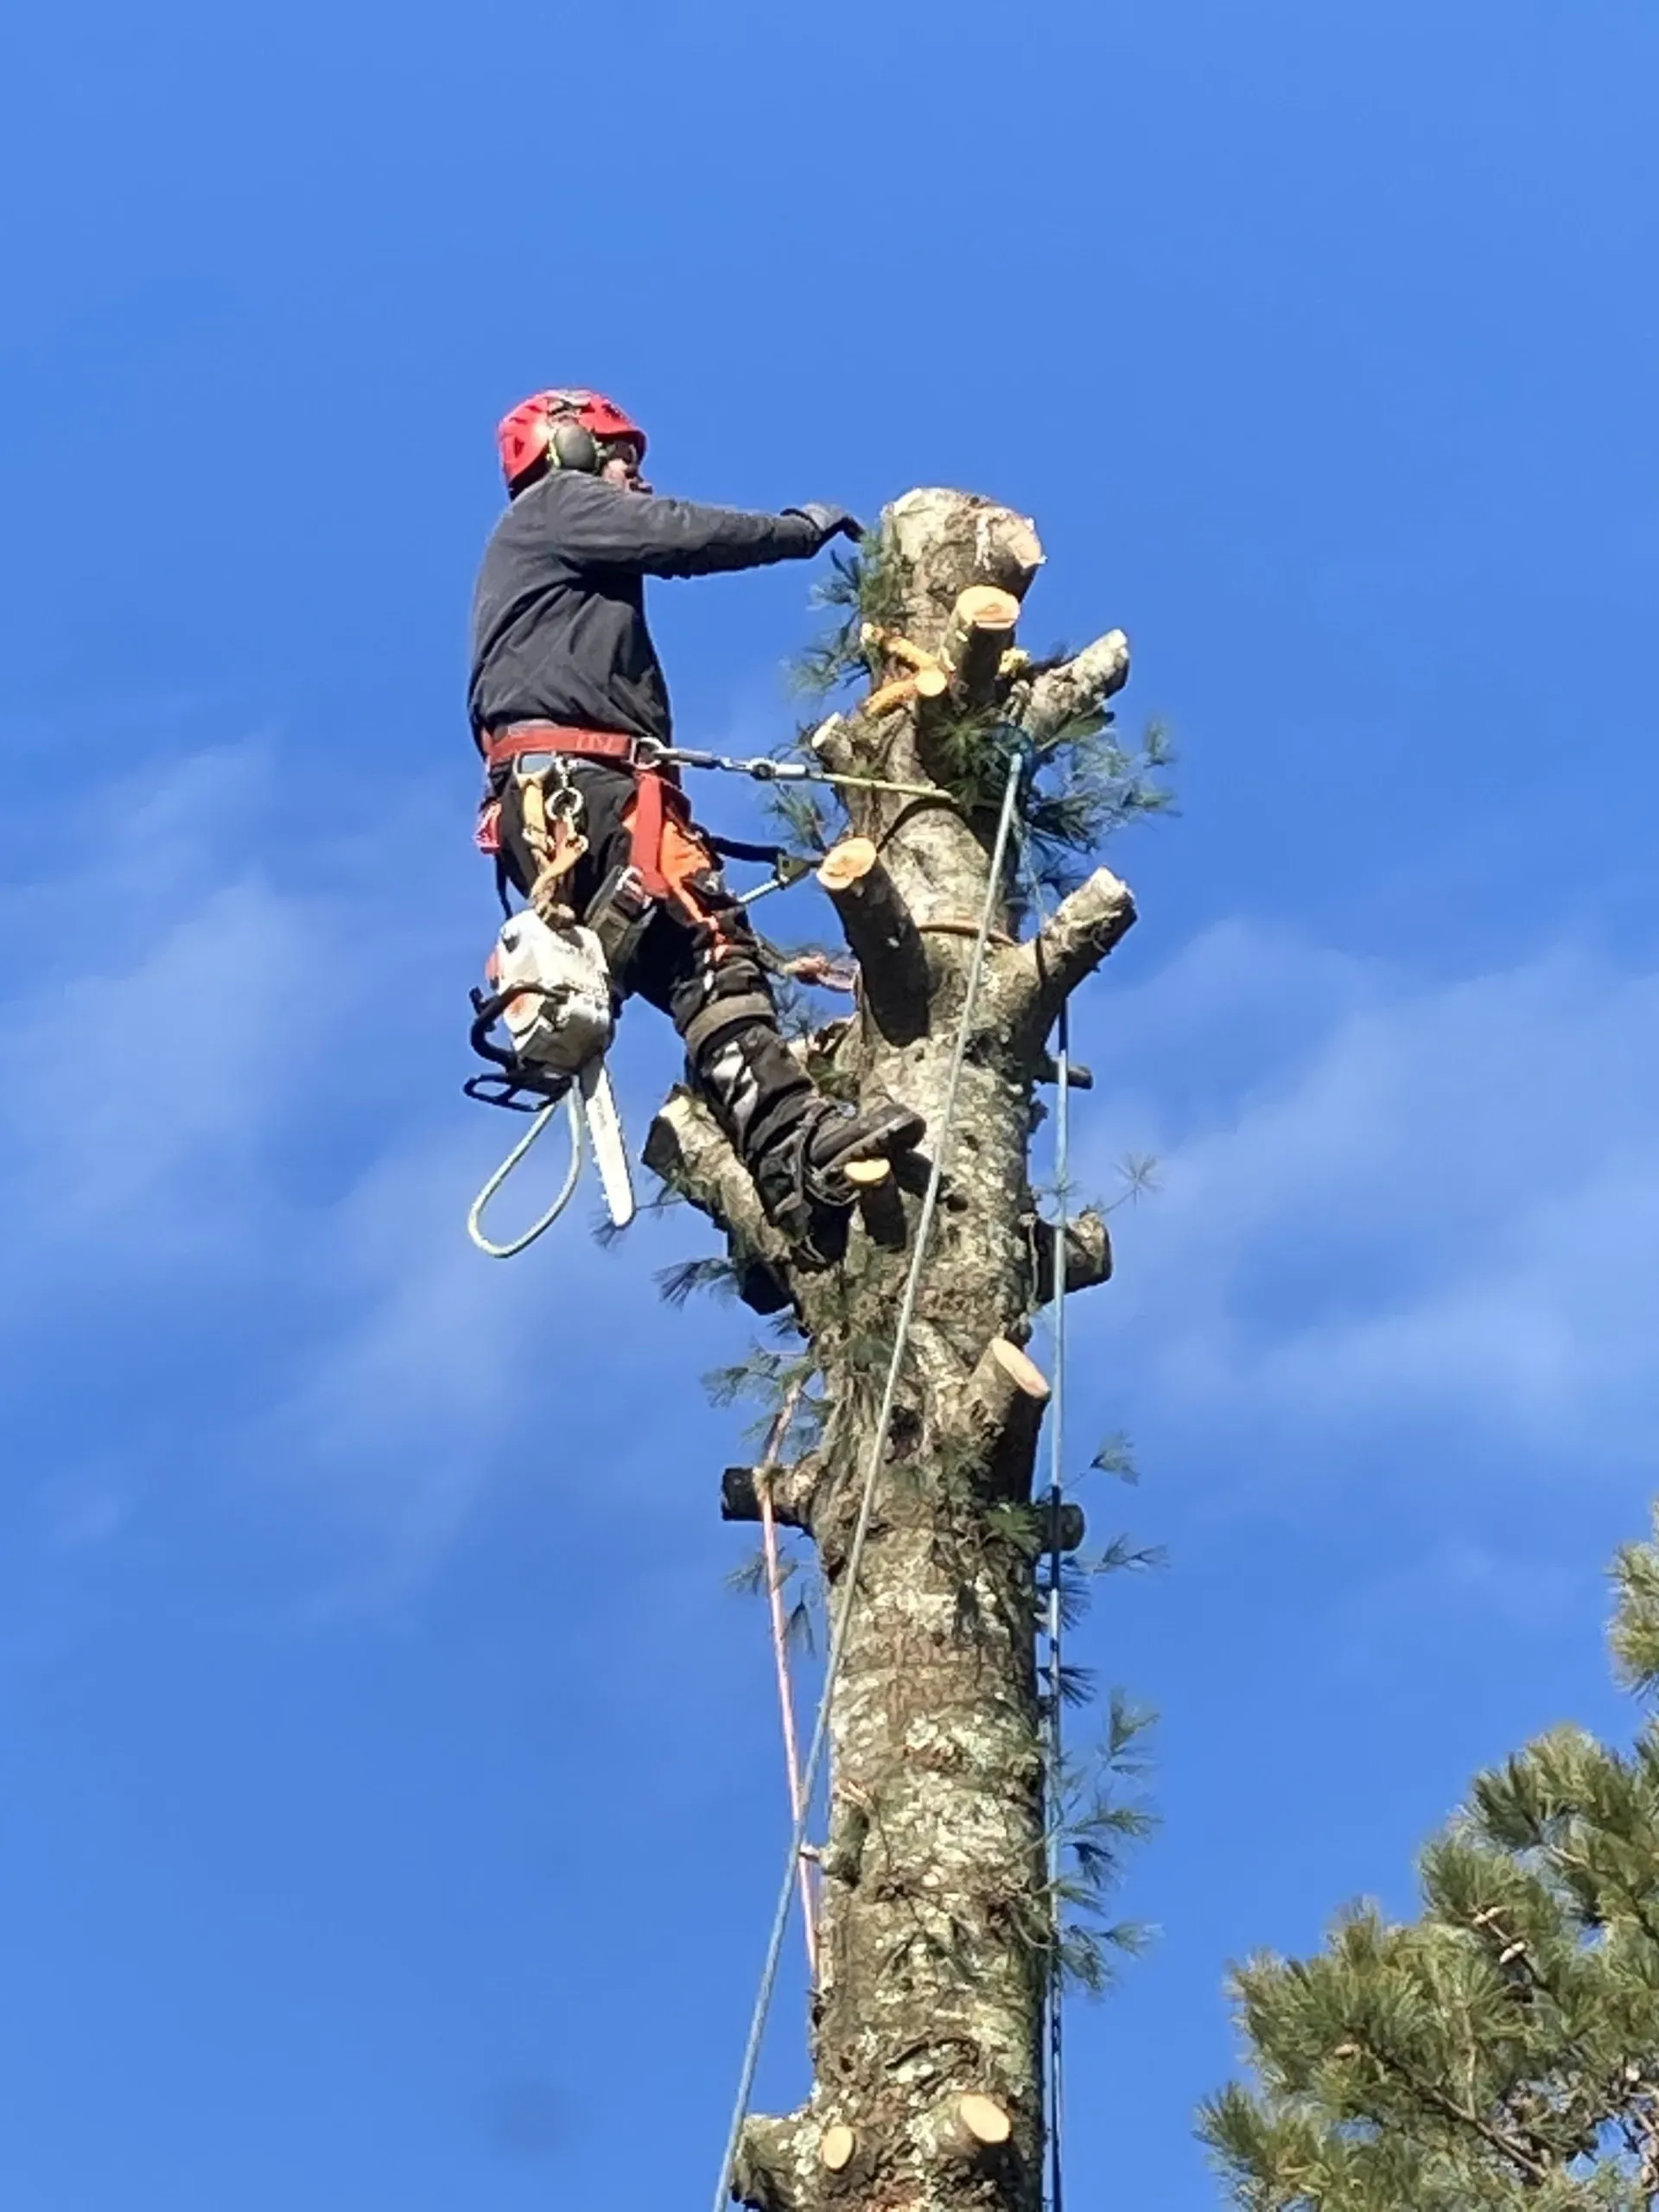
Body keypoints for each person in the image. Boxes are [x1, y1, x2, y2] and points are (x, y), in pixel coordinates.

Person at [468, 386, 924, 1262]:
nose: (634, 474)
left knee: (700, 973)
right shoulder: (556, 511)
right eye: (617, 453)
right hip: (584, 789)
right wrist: (796, 530)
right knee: (711, 953)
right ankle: (796, 1140)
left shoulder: (541, 560)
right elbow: (681, 534)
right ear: (562, 449)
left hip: (565, 800)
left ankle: (788, 1190)